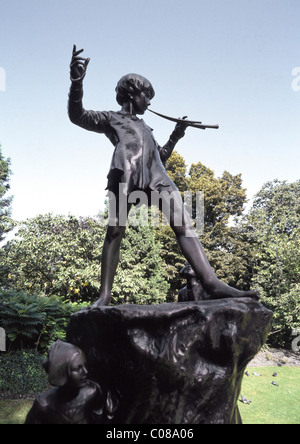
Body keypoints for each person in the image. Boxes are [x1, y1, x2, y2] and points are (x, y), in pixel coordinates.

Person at [68, 45, 258, 306]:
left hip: (157, 177)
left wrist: (176, 135)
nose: (149, 101)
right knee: (115, 231)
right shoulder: (111, 118)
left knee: (184, 225)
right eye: (147, 95)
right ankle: (104, 296)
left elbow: (160, 155)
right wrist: (76, 84)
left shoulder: (147, 126)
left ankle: (211, 283)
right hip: (126, 174)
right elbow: (77, 115)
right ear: (133, 95)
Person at [25, 341, 104, 424]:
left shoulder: (92, 392)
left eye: (85, 365)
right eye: (78, 369)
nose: (86, 371)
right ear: (62, 373)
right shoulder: (43, 405)